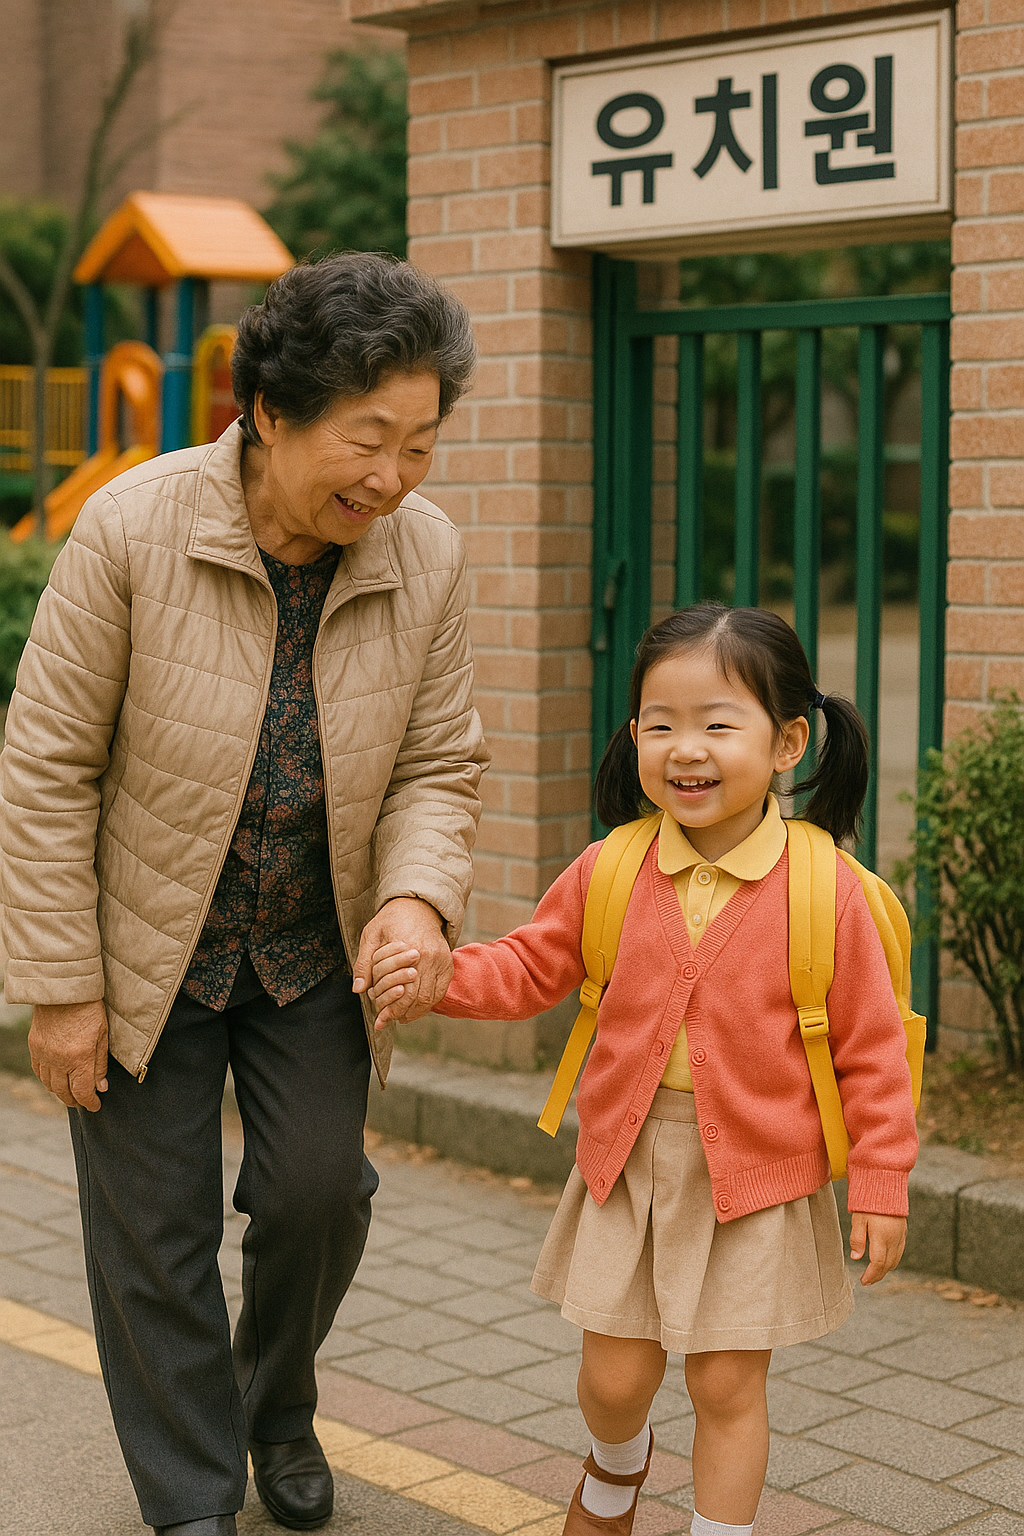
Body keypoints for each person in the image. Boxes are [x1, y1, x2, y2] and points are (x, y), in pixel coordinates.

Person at [0, 253, 488, 1536]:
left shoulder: (422, 555)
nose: (391, 478)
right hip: (142, 946)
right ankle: (194, 1495)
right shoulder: (131, 527)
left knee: (321, 1196)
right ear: (270, 413)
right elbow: (46, 767)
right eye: (365, 437)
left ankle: (277, 1408)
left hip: (310, 944)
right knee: (152, 1238)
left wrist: (419, 902)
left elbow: (440, 760)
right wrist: (61, 989)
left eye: (421, 444)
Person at [370, 604, 918, 1536]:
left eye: (716, 722)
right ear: (634, 737)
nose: (684, 748)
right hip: (628, 1165)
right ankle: (617, 1469)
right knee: (614, 1378)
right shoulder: (612, 868)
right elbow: (533, 964)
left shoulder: (826, 891)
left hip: (761, 1177)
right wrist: (441, 979)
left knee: (726, 1381)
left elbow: (873, 1051)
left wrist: (881, 1180)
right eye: (659, 723)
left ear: (788, 742)